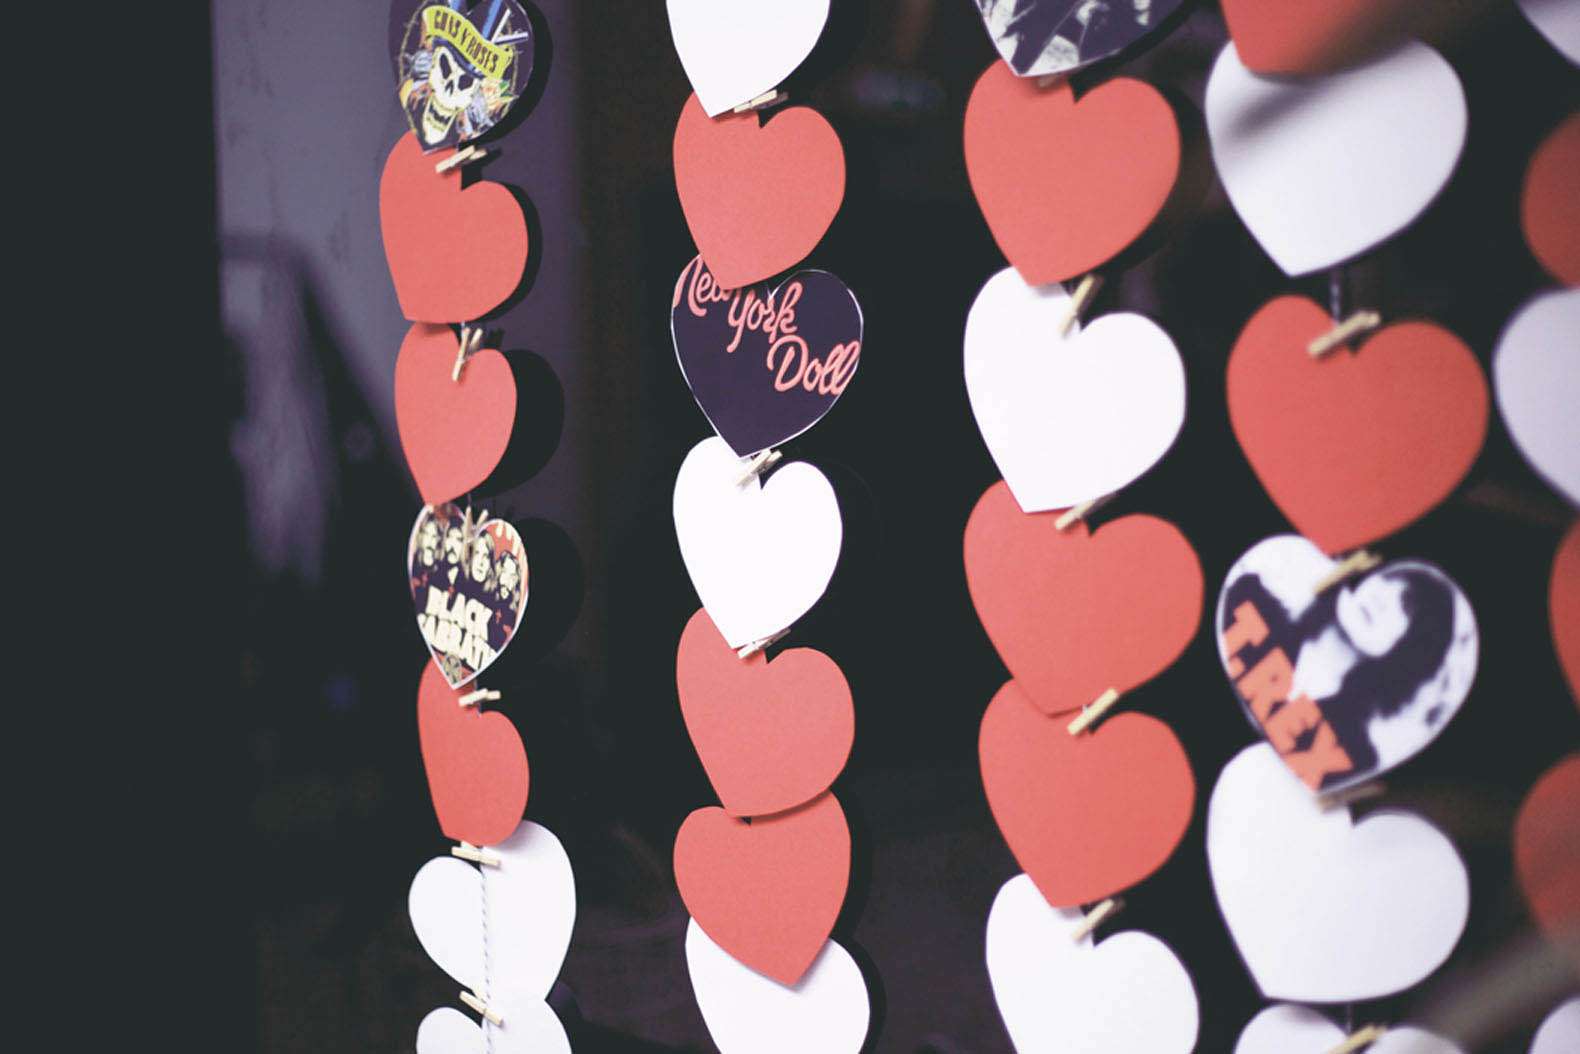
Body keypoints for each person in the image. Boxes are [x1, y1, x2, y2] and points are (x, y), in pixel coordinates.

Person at [1221, 560, 1459, 784]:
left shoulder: (1349, 757)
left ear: (1410, 650)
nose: (1382, 597)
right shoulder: (1249, 602)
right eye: (1387, 578)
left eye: (1406, 604)